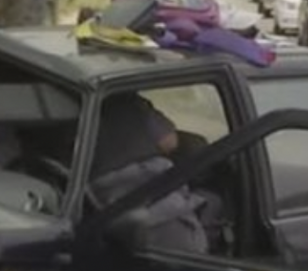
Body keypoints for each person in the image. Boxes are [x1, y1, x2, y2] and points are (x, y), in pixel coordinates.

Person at [88, 93, 214, 254]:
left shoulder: (78, 106)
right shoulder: (133, 104)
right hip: (144, 190)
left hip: (99, 196)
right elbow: (169, 142)